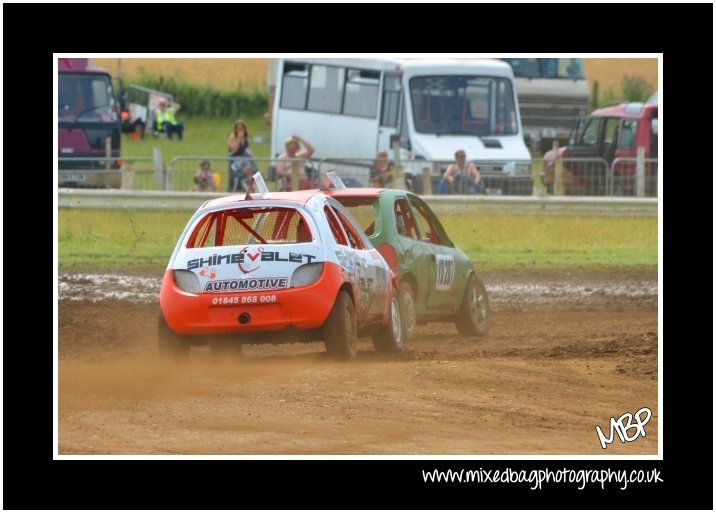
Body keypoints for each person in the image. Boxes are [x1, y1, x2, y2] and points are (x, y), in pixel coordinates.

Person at [227, 120, 258, 192]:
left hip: (245, 160)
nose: (240, 131)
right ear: (235, 129)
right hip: (235, 161)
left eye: (242, 129)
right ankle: (250, 186)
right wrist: (239, 139)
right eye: (238, 129)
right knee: (247, 168)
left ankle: (251, 185)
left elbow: (248, 152)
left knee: (253, 169)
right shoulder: (233, 137)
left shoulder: (245, 139)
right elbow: (233, 150)